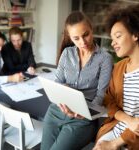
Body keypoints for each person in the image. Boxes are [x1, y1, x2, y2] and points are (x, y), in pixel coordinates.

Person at [40, 11, 113, 150]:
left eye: (86, 34)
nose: (83, 42)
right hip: (57, 111)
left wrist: (86, 112)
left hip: (82, 119)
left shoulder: (104, 58)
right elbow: (58, 82)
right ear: (70, 38)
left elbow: (101, 95)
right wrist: (62, 101)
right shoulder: (67, 53)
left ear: (91, 29)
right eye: (76, 38)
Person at [93, 4, 139, 150]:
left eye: (118, 36)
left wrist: (113, 144)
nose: (113, 42)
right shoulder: (118, 68)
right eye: (112, 38)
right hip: (115, 129)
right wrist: (128, 119)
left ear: (135, 34)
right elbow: (108, 99)